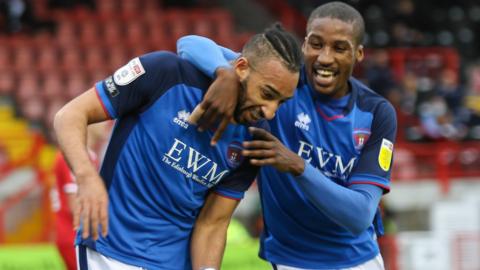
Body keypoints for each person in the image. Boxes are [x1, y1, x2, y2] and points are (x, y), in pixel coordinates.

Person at [53, 25, 302, 270]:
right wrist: (86, 178)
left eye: (281, 102)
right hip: (110, 250)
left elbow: (213, 223)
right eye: (267, 94)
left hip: (173, 262)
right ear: (241, 68)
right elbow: (70, 115)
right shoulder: (164, 73)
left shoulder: (254, 140)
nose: (270, 111)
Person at [176, 2, 397, 269]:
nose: (325, 58)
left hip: (358, 261)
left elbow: (360, 214)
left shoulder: (376, 113)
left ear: (358, 53)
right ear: (304, 46)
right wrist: (224, 74)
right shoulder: (280, 87)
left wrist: (297, 166)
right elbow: (188, 44)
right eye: (316, 44)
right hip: (290, 261)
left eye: (339, 48)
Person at [50, 123, 109, 270]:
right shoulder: (74, 156)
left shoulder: (90, 156)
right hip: (72, 234)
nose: (107, 124)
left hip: (79, 233)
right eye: (102, 120)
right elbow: (75, 206)